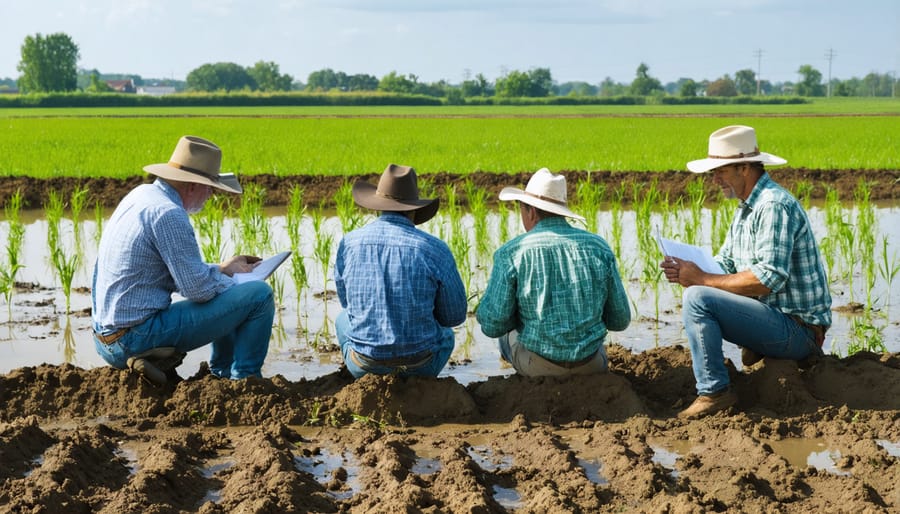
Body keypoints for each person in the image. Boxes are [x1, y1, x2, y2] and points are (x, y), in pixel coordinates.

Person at [661, 125, 832, 419]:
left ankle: (714, 392)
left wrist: (700, 279)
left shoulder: (773, 206)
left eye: (721, 171)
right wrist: (687, 273)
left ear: (744, 168)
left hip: (799, 330)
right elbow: (726, 266)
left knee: (698, 298)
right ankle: (755, 352)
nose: (714, 179)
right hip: (777, 320)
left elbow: (769, 278)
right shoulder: (746, 208)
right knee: (698, 293)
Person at [91, 136, 275, 385]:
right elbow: (198, 290)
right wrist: (235, 282)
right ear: (191, 185)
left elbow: (172, 271)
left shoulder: (142, 195)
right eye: (209, 187)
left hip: (106, 339)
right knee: (259, 294)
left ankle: (218, 372)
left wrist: (223, 269)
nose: (210, 195)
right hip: (132, 338)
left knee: (230, 288)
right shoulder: (169, 214)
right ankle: (245, 381)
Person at [476, 168, 632, 377]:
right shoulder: (599, 248)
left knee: (504, 336)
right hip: (592, 365)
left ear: (530, 211)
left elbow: (492, 325)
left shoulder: (512, 253)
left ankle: (523, 382)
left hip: (539, 368)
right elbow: (620, 320)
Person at [334, 164, 467, 379]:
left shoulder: (349, 243)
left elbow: (347, 303)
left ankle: (366, 376)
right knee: (446, 335)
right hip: (421, 367)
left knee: (342, 319)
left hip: (364, 366)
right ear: (414, 208)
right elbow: (454, 317)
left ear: (377, 206)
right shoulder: (434, 249)